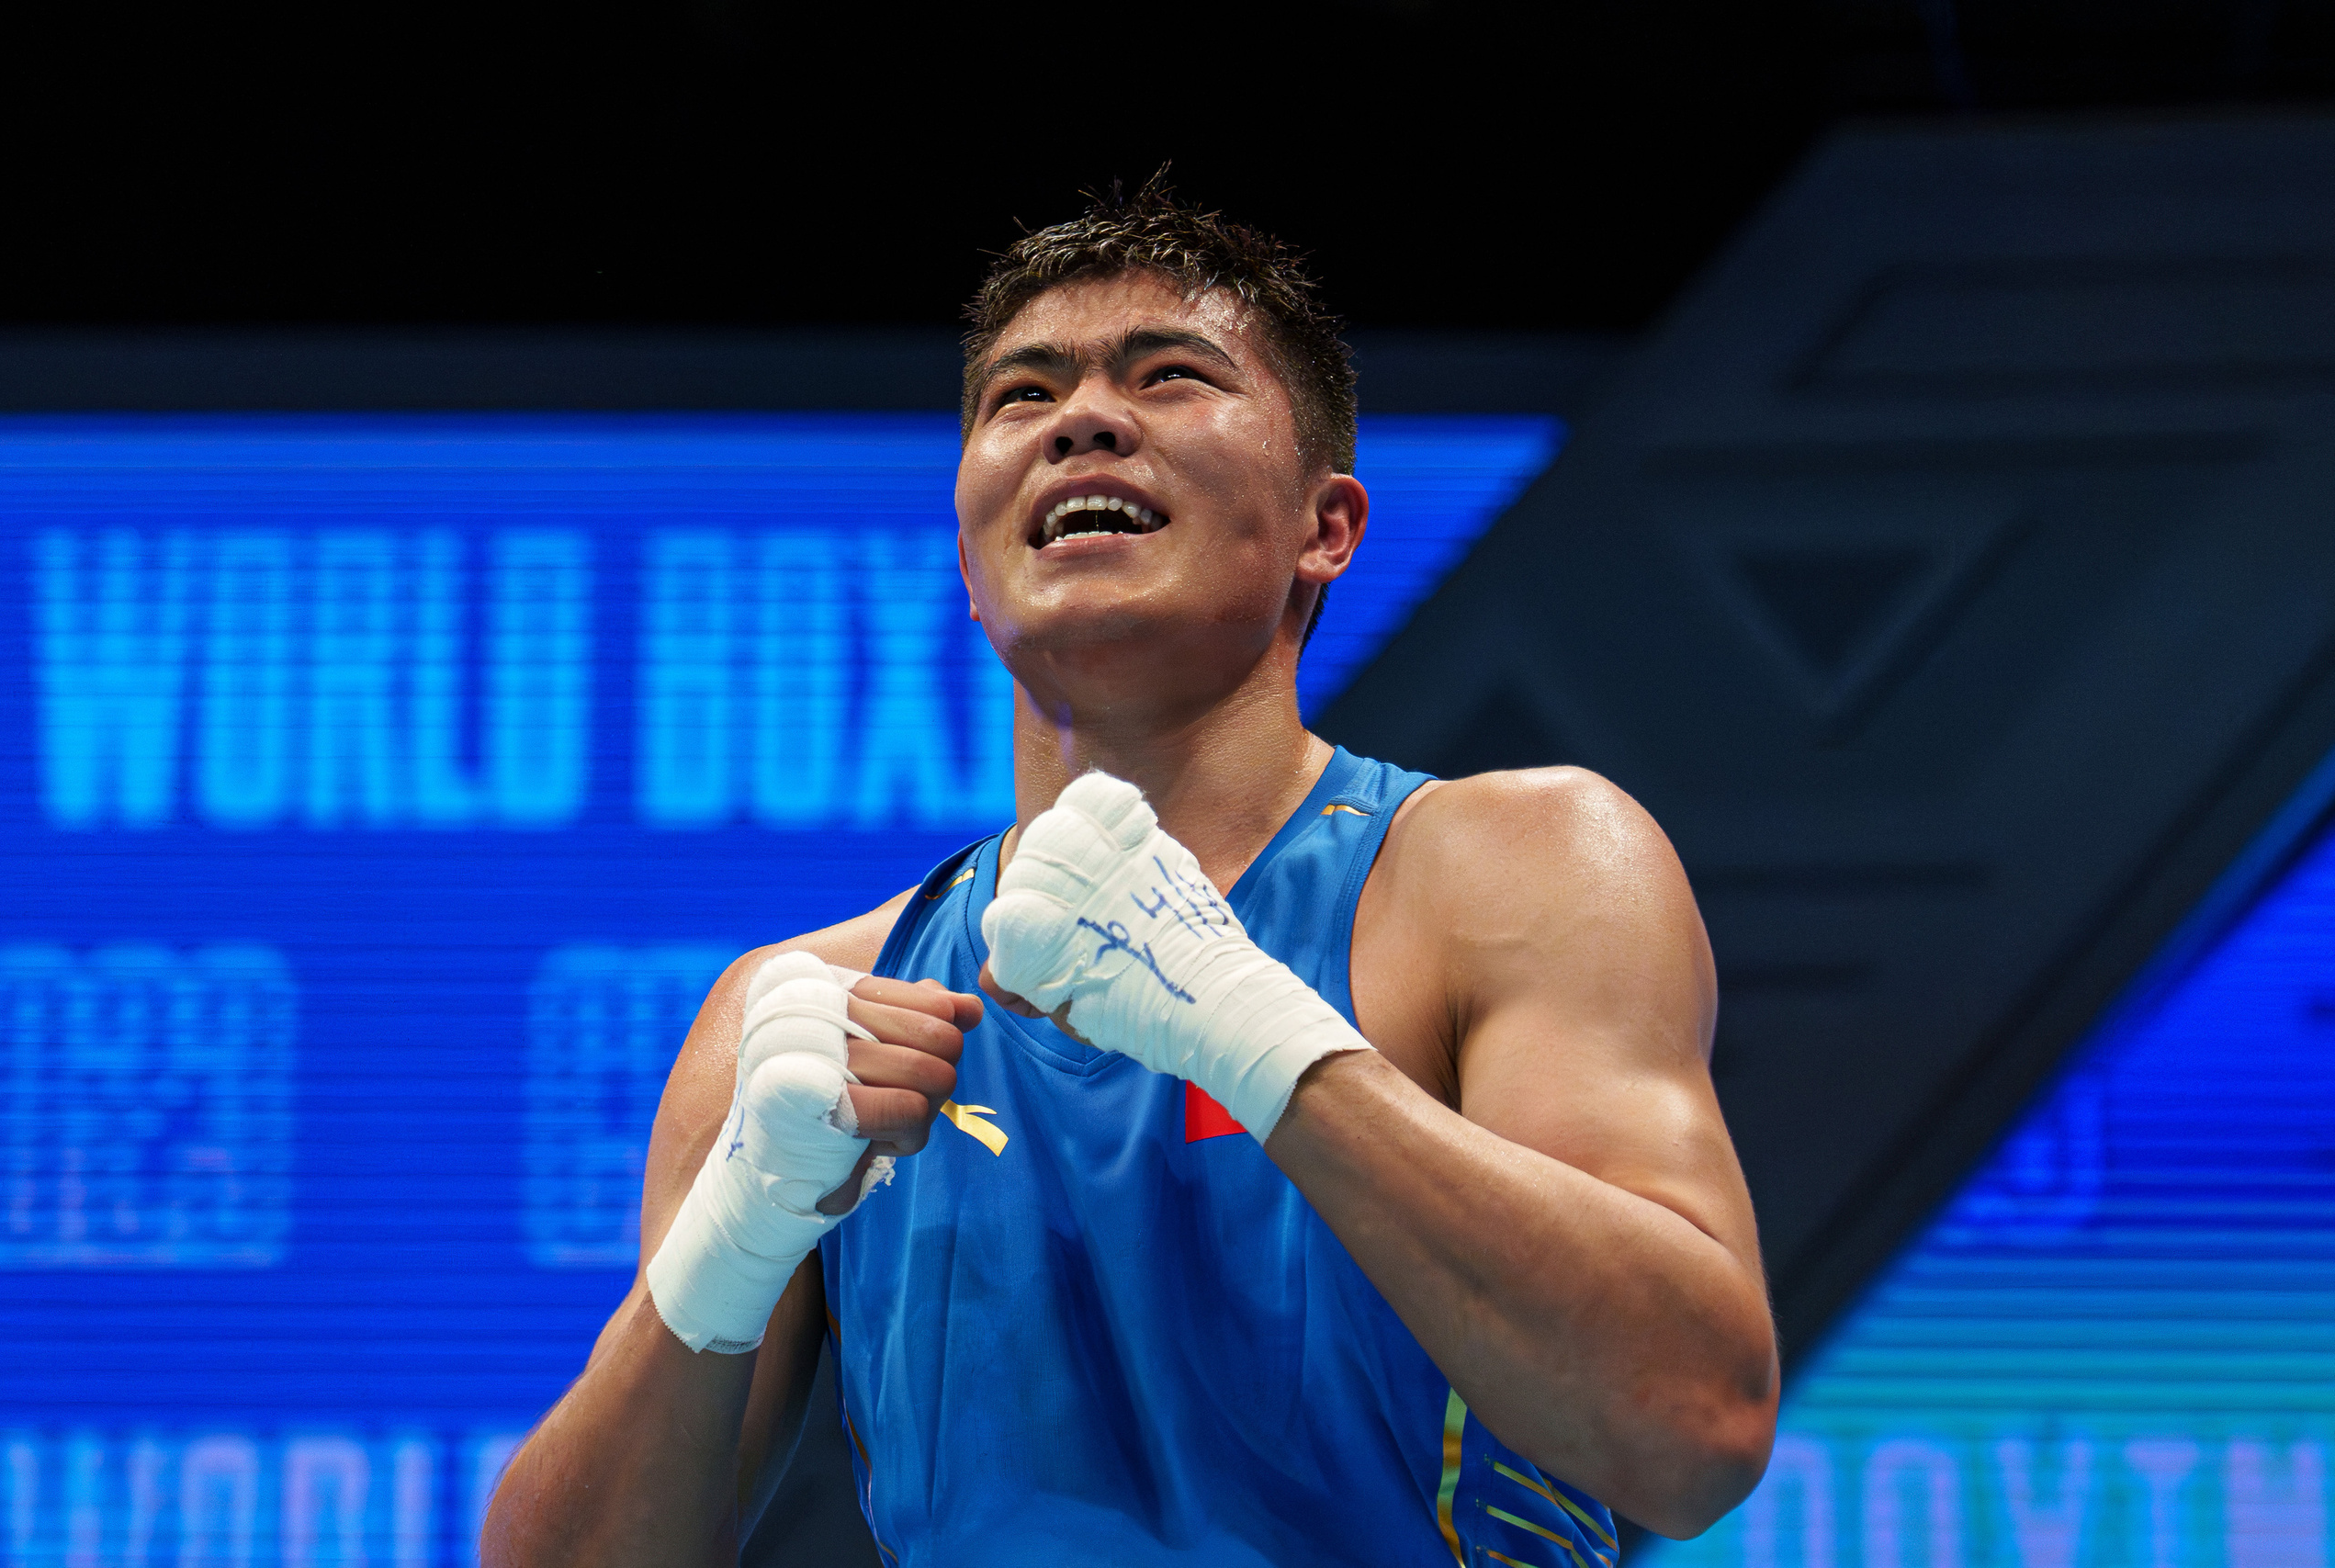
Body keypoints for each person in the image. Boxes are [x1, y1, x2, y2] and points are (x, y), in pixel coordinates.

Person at [484, 178, 1778, 1567]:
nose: (1082, 418)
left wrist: (1249, 1023)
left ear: (1323, 528)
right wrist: (727, 1247)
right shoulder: (806, 1010)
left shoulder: (1505, 869)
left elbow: (1689, 1429)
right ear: (973, 568)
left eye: (1170, 375)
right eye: (1019, 395)